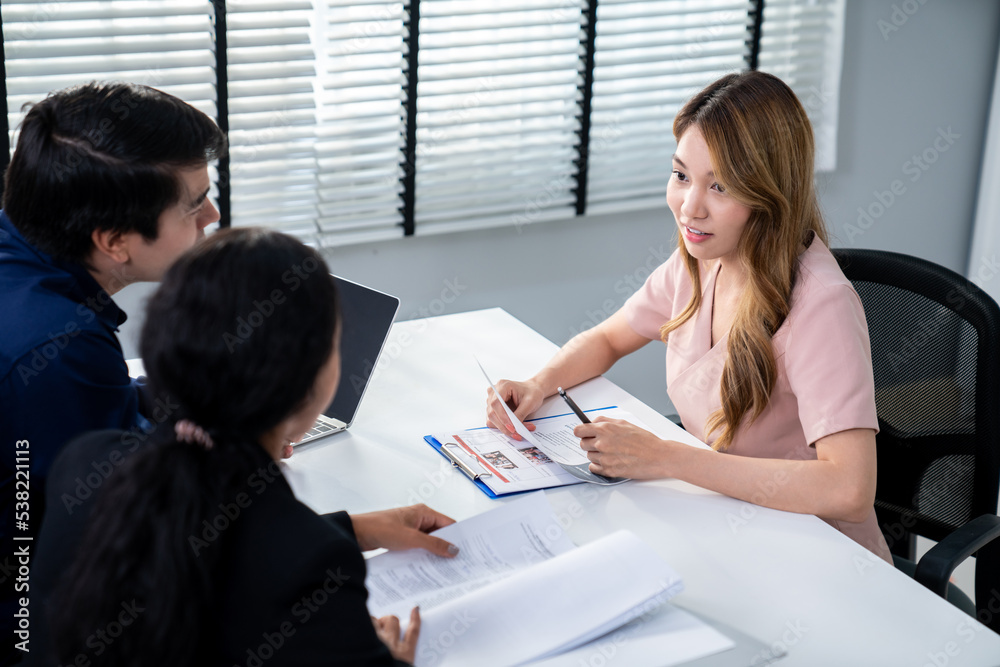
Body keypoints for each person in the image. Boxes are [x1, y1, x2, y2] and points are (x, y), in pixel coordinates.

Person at [486, 71, 892, 564]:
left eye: (719, 186)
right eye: (681, 176)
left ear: (769, 195)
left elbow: (849, 488)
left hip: (815, 553)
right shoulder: (700, 262)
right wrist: (541, 382)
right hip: (726, 522)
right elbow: (611, 338)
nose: (689, 207)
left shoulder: (821, 305)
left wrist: (665, 458)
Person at [28, 228, 457, 666]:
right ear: (308, 383)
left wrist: (349, 529)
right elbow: (257, 555)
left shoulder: (84, 463)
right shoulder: (313, 569)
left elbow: (212, 547)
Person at [0, 81, 227, 490]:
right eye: (193, 205)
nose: (210, 215)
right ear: (114, 242)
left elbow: (99, 404)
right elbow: (110, 524)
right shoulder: (62, 346)